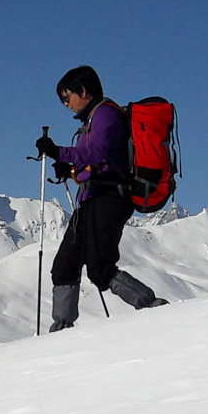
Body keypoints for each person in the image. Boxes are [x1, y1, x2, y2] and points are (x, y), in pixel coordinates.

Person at [36, 65, 169, 331]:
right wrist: (70, 169)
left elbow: (98, 154)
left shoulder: (106, 114)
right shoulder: (92, 120)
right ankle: (61, 329)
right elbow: (94, 163)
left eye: (67, 96)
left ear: (83, 91)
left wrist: (59, 153)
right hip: (92, 198)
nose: (66, 104)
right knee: (64, 265)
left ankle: (151, 305)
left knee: (100, 268)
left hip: (109, 199)